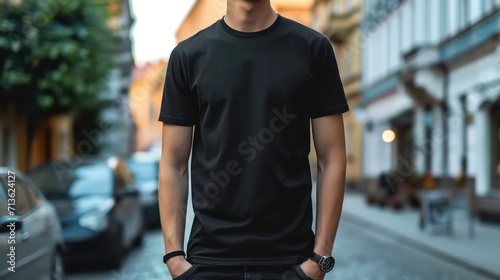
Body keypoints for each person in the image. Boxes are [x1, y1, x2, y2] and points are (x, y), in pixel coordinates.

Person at [158, 0, 348, 279]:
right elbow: (173, 163)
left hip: (290, 260)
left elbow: (332, 158)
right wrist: (174, 257)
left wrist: (320, 258)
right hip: (209, 261)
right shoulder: (188, 56)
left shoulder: (312, 49)